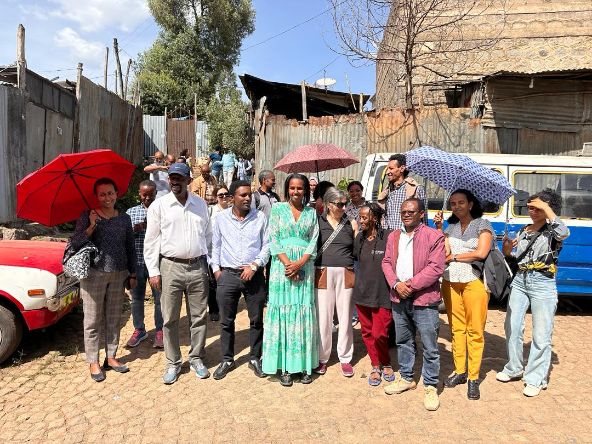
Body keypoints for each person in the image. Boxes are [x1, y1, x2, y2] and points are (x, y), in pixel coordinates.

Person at [496, 189, 569, 397]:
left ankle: (536, 378)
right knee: (512, 326)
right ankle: (514, 367)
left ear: (548, 209)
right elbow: (515, 257)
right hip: (520, 280)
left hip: (543, 282)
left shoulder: (553, 231)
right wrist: (508, 250)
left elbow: (564, 233)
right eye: (530, 208)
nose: (533, 211)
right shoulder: (523, 230)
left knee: (541, 333)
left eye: (538, 208)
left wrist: (547, 207)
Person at [143, 162, 212, 385]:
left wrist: (209, 263)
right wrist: (153, 271)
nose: (174, 182)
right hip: (170, 267)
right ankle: (173, 362)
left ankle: (196, 358)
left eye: (179, 178)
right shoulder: (159, 206)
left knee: (199, 316)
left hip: (198, 266)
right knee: (170, 317)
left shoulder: (201, 205)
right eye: (172, 178)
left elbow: (208, 237)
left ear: (188, 181)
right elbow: (151, 241)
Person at [382, 198, 445, 411]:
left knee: (430, 345)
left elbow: (435, 268)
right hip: (399, 298)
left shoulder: (434, 236)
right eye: (403, 212)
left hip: (424, 299)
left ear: (421, 214)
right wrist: (396, 284)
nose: (406, 214)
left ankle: (430, 385)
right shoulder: (393, 236)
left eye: (411, 211)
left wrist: (409, 285)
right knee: (403, 340)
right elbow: (387, 262)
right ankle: (407, 377)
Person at [71, 177, 136, 382]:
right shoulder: (88, 215)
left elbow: (130, 247)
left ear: (116, 194)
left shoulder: (124, 218)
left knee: (114, 317)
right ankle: (93, 361)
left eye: (110, 193)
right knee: (92, 320)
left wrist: (132, 273)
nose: (107, 197)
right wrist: (91, 226)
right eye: (102, 194)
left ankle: (111, 356)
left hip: (118, 273)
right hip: (93, 275)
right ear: (96, 196)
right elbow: (76, 242)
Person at [434, 189, 493, 400]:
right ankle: (460, 371)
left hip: (473, 282)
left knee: (475, 331)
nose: (457, 206)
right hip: (450, 282)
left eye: (461, 202)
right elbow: (445, 252)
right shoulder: (450, 227)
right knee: (456, 329)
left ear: (470, 204)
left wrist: (455, 257)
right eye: (453, 203)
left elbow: (481, 253)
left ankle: (473, 377)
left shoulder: (482, 225)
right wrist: (440, 229)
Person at [261, 173, 319, 387]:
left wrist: (300, 263)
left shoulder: (312, 213)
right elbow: (273, 238)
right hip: (281, 269)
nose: (296, 192)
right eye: (292, 188)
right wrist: (289, 264)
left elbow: (314, 240)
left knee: (302, 312)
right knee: (283, 313)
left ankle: (303, 366)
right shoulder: (277, 209)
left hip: (305, 268)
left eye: (300, 188)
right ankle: (284, 367)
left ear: (306, 190)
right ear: (287, 189)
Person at [211, 180, 270, 380]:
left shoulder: (260, 217)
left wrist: (255, 265)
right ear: (232, 197)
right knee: (226, 321)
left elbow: (267, 245)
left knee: (256, 320)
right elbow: (215, 246)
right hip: (227, 275)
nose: (248, 198)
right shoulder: (220, 219)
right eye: (243, 195)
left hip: (253, 276)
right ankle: (227, 359)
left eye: (249, 195)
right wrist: (217, 270)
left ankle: (255, 357)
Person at [314, 187, 359, 378]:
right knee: (323, 318)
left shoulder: (352, 223)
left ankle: (345, 358)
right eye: (339, 204)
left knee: (346, 317)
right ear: (328, 205)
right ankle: (322, 358)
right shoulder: (318, 222)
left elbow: (357, 250)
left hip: (346, 272)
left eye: (345, 203)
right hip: (323, 272)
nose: (344, 207)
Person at [352, 203, 395, 386]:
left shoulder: (389, 237)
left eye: (363, 217)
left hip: (383, 294)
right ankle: (376, 365)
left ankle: (386, 361)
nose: (360, 221)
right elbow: (355, 260)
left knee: (380, 334)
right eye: (359, 217)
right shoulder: (360, 238)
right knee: (367, 332)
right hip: (362, 293)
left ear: (374, 218)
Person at [125, 180, 164, 349]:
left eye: (151, 194)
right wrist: (135, 229)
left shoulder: (163, 210)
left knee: (160, 299)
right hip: (137, 262)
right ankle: (139, 329)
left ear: (156, 193)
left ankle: (161, 331)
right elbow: (125, 238)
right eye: (144, 194)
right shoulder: (131, 213)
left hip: (157, 262)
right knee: (137, 299)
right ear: (139, 194)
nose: (147, 197)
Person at [378, 153, 426, 230]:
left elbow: (424, 219)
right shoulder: (387, 191)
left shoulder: (415, 189)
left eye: (391, 168)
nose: (387, 172)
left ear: (402, 168)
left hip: (408, 236)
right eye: (387, 169)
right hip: (389, 237)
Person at [206, 185, 232, 322]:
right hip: (212, 251)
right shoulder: (211, 211)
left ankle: (224, 307)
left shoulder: (233, 212)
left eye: (226, 194)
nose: (223, 197)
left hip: (227, 252)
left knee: (225, 282)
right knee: (212, 282)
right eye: (220, 195)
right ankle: (214, 309)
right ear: (216, 197)